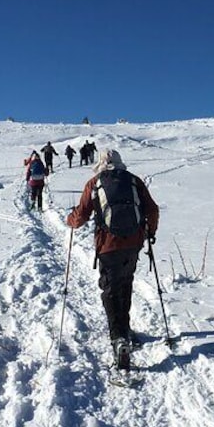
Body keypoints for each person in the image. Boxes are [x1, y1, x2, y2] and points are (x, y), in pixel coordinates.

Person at [66, 149, 159, 370]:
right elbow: (152, 210)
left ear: (100, 163)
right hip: (133, 243)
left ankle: (118, 339)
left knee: (110, 289)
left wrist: (70, 220)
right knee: (125, 284)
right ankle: (124, 330)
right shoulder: (134, 181)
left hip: (108, 245)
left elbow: (81, 215)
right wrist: (149, 233)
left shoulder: (94, 183)